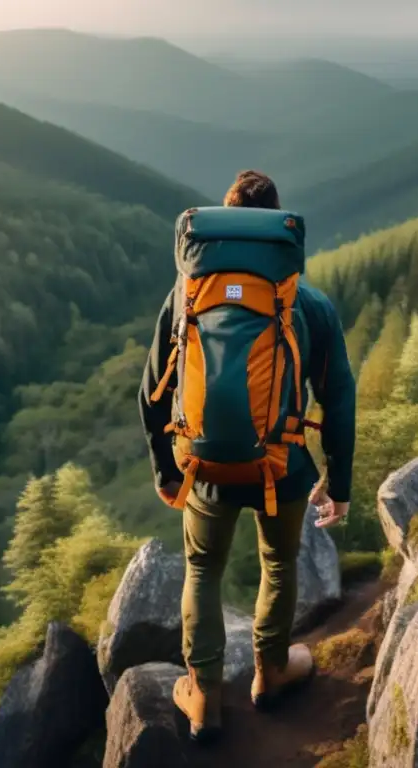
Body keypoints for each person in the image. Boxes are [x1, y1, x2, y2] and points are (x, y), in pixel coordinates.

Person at [137, 169, 356, 743]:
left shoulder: (186, 297)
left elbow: (151, 389)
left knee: (202, 569)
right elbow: (337, 396)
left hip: (204, 471)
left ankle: (204, 697)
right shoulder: (307, 304)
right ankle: (270, 672)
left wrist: (167, 470)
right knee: (279, 565)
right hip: (281, 469)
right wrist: (339, 481)